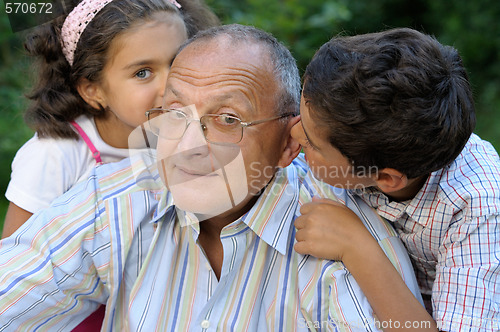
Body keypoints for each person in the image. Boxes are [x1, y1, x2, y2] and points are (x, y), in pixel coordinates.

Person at [0, 24, 426, 331]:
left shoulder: (349, 244)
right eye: (173, 112)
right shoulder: (114, 200)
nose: (187, 145)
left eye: (226, 119)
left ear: (288, 144)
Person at [1, 0, 219, 330]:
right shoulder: (56, 155)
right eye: (142, 73)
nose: (169, 87)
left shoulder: (186, 136)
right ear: (93, 90)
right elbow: (15, 267)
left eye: (177, 63)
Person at [291, 27, 500, 332]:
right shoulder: (374, 148)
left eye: (311, 144)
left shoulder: (478, 207)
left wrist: (356, 246)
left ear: (387, 179)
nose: (294, 134)